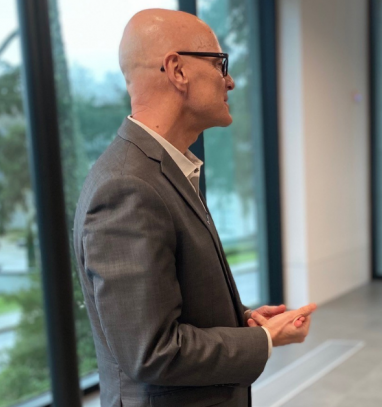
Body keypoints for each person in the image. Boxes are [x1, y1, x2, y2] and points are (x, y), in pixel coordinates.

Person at [72, 9, 316, 407]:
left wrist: (242, 320)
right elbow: (152, 351)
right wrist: (264, 339)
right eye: (220, 64)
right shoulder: (127, 186)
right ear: (177, 70)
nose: (230, 80)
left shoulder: (157, 170)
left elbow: (167, 302)